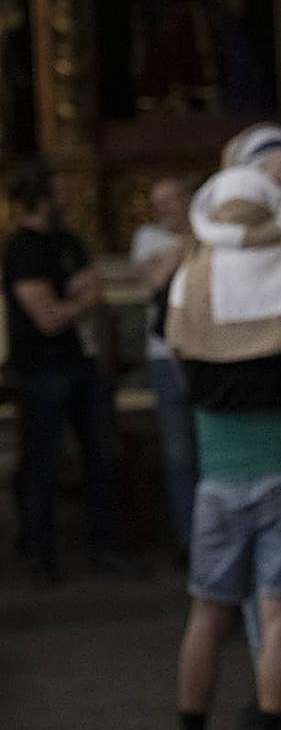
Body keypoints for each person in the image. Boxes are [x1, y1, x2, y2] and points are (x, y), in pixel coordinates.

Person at [169, 166, 281, 730]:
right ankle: (271, 718)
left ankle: (192, 720)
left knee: (208, 608)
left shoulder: (184, 289)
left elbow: (181, 372)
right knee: (279, 609)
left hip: (217, 472)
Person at [2, 159, 128, 582]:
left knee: (101, 456)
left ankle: (105, 546)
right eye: (59, 192)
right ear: (42, 198)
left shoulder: (69, 241)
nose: (68, 199)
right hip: (41, 371)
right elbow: (48, 318)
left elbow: (91, 288)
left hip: (81, 365)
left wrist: (73, 301)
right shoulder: (22, 248)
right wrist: (80, 302)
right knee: (42, 462)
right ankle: (40, 551)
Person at [131, 177, 196, 563]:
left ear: (189, 199)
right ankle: (187, 539)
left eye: (171, 199)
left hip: (205, 352)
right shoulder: (147, 237)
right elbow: (157, 279)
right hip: (164, 356)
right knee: (178, 451)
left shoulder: (201, 233)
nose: (164, 209)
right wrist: (191, 244)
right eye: (158, 203)